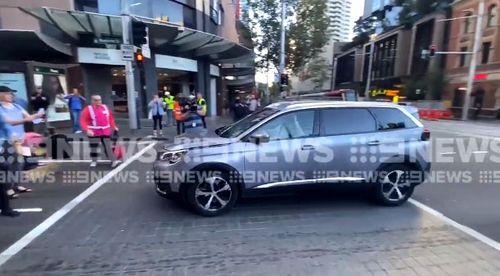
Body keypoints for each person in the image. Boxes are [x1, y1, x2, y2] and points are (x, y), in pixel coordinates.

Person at [0, 86, 41, 199]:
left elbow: (29, 117)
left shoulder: (17, 106)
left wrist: (37, 116)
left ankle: (16, 186)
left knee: (20, 164)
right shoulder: (1, 109)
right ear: (1, 94)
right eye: (8, 93)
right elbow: (10, 122)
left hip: (20, 139)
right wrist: (27, 119)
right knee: (9, 165)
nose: (11, 95)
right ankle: (7, 188)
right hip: (6, 141)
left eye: (11, 93)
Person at [80, 95, 120, 168]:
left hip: (105, 131)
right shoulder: (88, 109)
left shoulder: (105, 107)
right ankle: (94, 160)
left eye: (99, 100)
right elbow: (83, 121)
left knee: (108, 147)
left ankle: (113, 160)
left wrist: (114, 126)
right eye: (96, 100)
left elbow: (110, 118)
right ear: (92, 101)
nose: (98, 102)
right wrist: (87, 129)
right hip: (94, 132)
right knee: (94, 147)